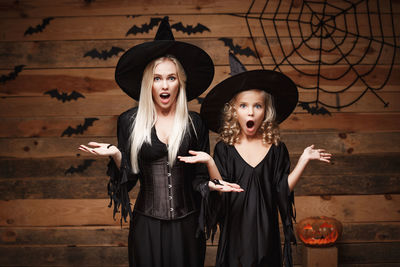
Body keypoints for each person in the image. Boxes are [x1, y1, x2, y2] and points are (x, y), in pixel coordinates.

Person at [79, 18, 241, 267]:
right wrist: (116, 154)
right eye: (157, 78)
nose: (164, 85)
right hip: (147, 225)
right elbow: (130, 178)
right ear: (148, 84)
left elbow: (198, 178)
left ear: (180, 83)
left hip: (188, 225)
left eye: (171, 78)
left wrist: (213, 185)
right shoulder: (130, 121)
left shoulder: (194, 123)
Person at [179, 52, 331, 267]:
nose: (250, 112)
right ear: (234, 111)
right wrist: (210, 163)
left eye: (257, 106)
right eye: (243, 106)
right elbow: (222, 191)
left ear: (265, 111)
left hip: (266, 235)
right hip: (235, 234)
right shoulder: (225, 149)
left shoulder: (277, 149)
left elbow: (281, 190)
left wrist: (303, 161)